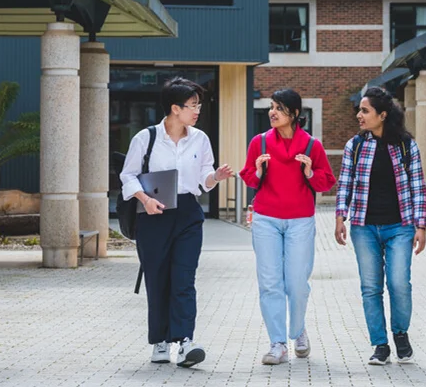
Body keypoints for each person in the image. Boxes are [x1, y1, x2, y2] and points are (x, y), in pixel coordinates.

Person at [119, 77, 234, 368]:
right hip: (154, 213)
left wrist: (216, 177)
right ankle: (159, 341)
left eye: (198, 105)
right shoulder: (146, 138)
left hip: (187, 213)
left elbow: (203, 180)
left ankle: (184, 342)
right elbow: (128, 176)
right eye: (192, 105)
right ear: (174, 108)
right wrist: (145, 200)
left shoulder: (200, 139)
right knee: (157, 279)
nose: (197, 111)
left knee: (184, 279)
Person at [239, 89, 336, 365]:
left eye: (279, 108)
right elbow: (249, 178)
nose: (273, 112)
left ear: (294, 114)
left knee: (296, 283)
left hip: (300, 221)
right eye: (271, 107)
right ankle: (278, 343)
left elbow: (326, 181)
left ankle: (298, 330)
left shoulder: (311, 146)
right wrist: (257, 170)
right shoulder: (259, 143)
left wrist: (310, 173)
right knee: (270, 283)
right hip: (266, 220)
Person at [334, 86, 426, 366]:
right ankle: (380, 344)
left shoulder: (405, 145)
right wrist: (340, 216)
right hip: (364, 226)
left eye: (365, 110)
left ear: (382, 115)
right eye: (359, 110)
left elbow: (418, 186)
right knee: (370, 287)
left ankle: (400, 333)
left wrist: (420, 226)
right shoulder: (356, 145)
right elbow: (346, 183)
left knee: (399, 283)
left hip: (400, 226)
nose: (359, 115)